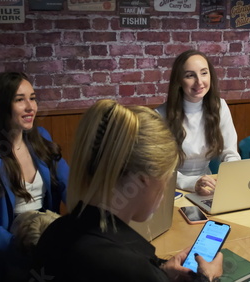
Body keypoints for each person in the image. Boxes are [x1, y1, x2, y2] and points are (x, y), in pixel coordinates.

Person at [35, 99, 223, 281]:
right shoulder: (129, 268)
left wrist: (160, 270)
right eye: (166, 179)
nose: (165, 189)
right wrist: (207, 278)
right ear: (143, 180)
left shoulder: (56, 232)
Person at [0, 72, 69, 282]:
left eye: (33, 98)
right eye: (20, 100)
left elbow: (69, 187)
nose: (31, 107)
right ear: (0, 106)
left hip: (45, 237)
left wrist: (87, 219)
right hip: (7, 251)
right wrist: (34, 255)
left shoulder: (42, 137)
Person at [156, 49, 240, 195]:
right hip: (172, 188)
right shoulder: (159, 115)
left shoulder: (220, 107)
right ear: (179, 80)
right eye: (190, 75)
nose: (199, 82)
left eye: (204, 73)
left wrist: (229, 179)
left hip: (208, 186)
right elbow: (159, 170)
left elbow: (230, 154)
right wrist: (192, 183)